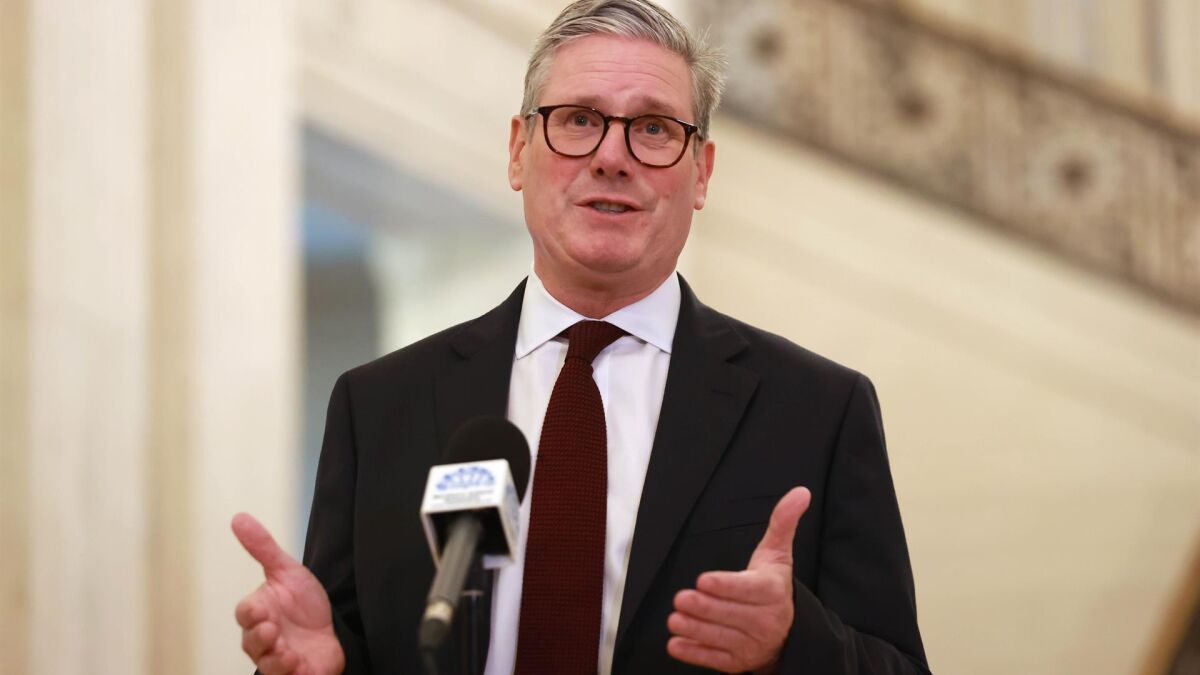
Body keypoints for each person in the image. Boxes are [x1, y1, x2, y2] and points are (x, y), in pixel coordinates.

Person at [233, 1, 930, 673]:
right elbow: (357, 646)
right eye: (578, 120)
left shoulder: (814, 411)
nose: (612, 157)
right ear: (518, 151)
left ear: (702, 173)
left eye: (653, 128)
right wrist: (321, 666)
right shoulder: (382, 405)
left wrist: (791, 645)